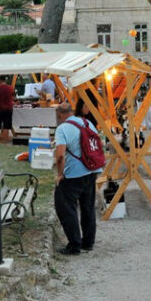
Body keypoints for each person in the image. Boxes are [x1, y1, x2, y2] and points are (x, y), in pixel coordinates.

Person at [54, 102, 102, 255]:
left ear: (60, 114)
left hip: (73, 174)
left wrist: (60, 174)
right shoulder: (87, 123)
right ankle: (88, 242)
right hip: (91, 170)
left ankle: (74, 244)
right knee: (88, 207)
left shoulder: (62, 129)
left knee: (66, 207)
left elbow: (60, 155)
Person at [0, 75, 15, 144]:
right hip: (8, 110)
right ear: (5, 80)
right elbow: (13, 99)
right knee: (6, 127)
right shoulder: (11, 88)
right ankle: (4, 143)